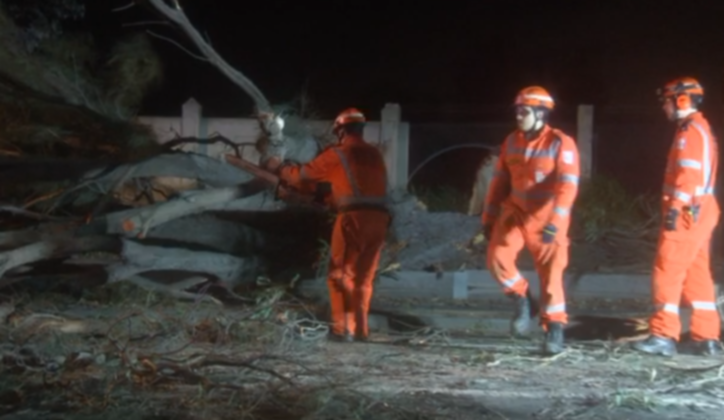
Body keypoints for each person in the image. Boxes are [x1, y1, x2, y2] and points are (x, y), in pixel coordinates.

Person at [263, 108, 390, 342]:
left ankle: (342, 330)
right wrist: (326, 199)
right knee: (363, 278)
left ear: (340, 131)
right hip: (379, 220)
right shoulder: (374, 154)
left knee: (339, 275)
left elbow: (302, 176)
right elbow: (357, 186)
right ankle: (360, 331)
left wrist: (280, 169)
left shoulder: (339, 154)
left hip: (353, 218)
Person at [481, 86, 580, 355]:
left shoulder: (560, 143)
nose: (518, 115)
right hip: (515, 212)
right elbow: (499, 181)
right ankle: (521, 297)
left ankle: (554, 330)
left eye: (523, 111)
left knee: (550, 277)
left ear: (541, 113)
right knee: (496, 258)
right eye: (517, 110)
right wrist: (488, 216)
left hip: (547, 217)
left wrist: (556, 223)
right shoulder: (511, 141)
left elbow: (567, 187)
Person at [633, 77, 722, 357]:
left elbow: (688, 176)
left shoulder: (689, 132)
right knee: (697, 275)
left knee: (667, 270)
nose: (664, 108)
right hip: (701, 209)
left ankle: (663, 335)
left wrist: (675, 208)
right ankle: (706, 337)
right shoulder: (698, 129)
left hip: (686, 211)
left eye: (667, 101)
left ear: (681, 100)